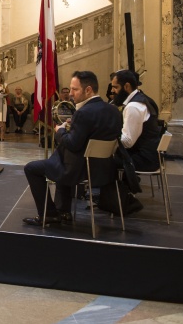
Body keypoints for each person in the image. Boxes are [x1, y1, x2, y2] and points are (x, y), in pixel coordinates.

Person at [22, 71, 122, 226]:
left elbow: (73, 144)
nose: (70, 94)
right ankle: (63, 211)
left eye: (75, 89)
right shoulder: (114, 110)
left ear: (88, 90)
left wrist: (60, 130)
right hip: (104, 169)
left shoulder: (83, 113)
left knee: (31, 168)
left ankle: (49, 215)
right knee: (62, 159)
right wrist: (73, 127)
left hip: (79, 169)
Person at [110, 70, 161, 172]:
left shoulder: (133, 106)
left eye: (116, 87)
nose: (112, 91)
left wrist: (106, 137)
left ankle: (119, 182)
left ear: (126, 86)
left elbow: (127, 142)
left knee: (101, 159)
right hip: (151, 157)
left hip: (143, 159)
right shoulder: (142, 99)